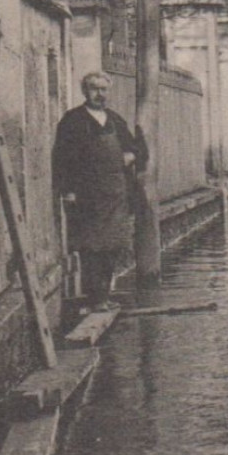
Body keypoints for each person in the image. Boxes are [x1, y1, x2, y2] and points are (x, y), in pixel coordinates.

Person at [53, 72, 148, 311]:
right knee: (90, 247)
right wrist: (68, 190)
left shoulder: (115, 120)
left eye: (103, 90)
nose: (99, 94)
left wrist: (131, 155)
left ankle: (105, 295)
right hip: (87, 195)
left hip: (116, 194)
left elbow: (137, 147)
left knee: (112, 246)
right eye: (94, 89)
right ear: (85, 91)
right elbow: (61, 158)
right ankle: (94, 299)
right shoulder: (72, 120)